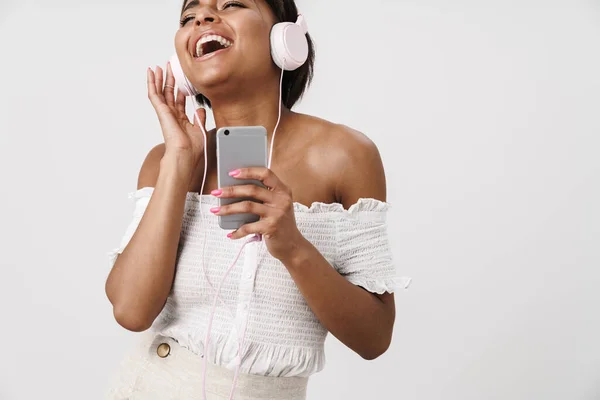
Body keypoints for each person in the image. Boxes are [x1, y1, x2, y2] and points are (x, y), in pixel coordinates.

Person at [104, 0, 400, 399]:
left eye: (231, 4)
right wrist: (179, 161)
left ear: (286, 38)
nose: (204, 18)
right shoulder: (165, 162)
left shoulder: (344, 155)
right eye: (189, 16)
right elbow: (131, 311)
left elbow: (374, 338)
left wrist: (293, 246)